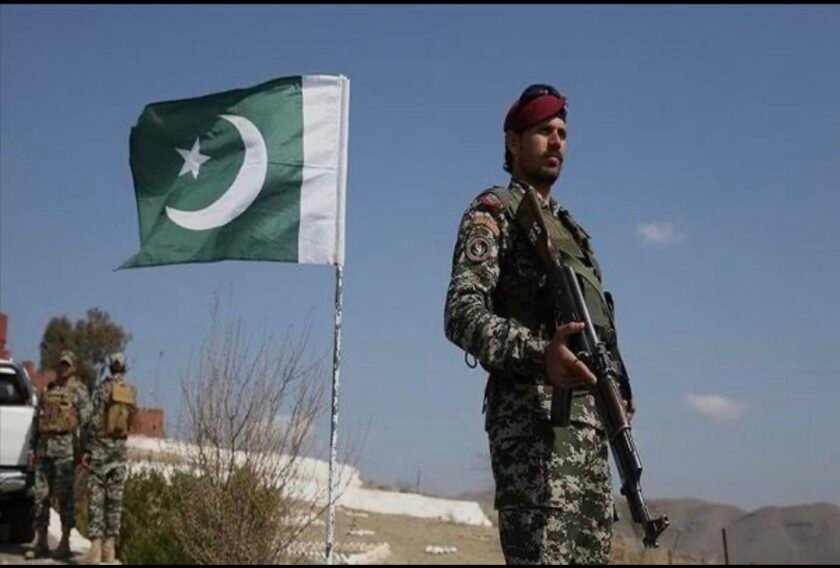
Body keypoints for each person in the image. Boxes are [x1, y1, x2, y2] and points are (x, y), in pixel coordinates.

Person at [444, 83, 633, 564]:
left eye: (563, 133)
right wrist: (540, 355)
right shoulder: (494, 213)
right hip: (531, 440)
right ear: (512, 142)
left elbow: (599, 326)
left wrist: (619, 386)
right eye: (544, 131)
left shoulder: (573, 233)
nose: (557, 142)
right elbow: (461, 313)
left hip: (588, 447)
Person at [26, 350, 92, 559]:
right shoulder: (49, 389)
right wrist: (32, 448)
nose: (63, 368)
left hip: (65, 451)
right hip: (44, 449)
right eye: (61, 364)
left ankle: (64, 542)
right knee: (40, 496)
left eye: (67, 365)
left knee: (65, 498)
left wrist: (86, 448)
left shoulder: (79, 391)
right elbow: (37, 420)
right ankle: (41, 542)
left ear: (73, 367)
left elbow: (87, 420)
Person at [80, 352, 137, 564]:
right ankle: (109, 549)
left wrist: (87, 449)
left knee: (97, 499)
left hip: (101, 450)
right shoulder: (131, 391)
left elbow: (93, 420)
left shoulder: (102, 389)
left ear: (110, 367)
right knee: (115, 501)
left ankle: (95, 550)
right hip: (119, 452)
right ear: (125, 368)